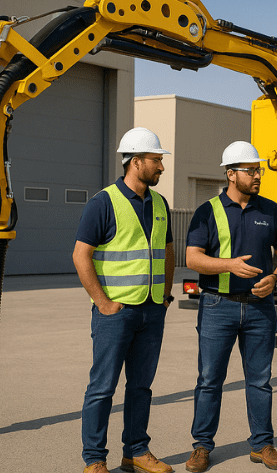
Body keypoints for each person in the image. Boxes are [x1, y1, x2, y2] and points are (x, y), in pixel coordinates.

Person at [184, 141, 277, 472]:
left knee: (260, 379)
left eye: (258, 169)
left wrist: (275, 278)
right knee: (209, 379)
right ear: (231, 174)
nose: (258, 175)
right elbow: (193, 258)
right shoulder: (207, 211)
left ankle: (262, 445)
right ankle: (202, 447)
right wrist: (229, 265)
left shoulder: (271, 210)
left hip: (261, 308)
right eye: (251, 170)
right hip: (218, 305)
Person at [73, 127, 176, 473]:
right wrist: (102, 302)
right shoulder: (103, 202)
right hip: (115, 313)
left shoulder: (160, 203)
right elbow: (80, 255)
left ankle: (136, 451)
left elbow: (167, 251)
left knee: (141, 387)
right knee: (102, 388)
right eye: (156, 160)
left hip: (151, 311)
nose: (161, 166)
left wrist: (164, 296)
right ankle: (94, 460)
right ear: (135, 162)